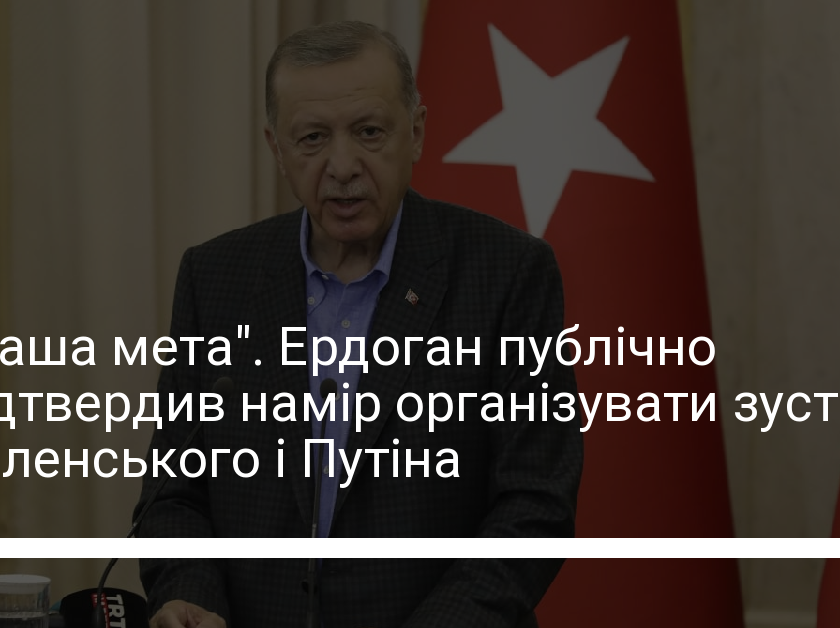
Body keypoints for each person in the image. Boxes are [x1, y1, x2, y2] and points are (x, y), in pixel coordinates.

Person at [136, 21, 582, 628]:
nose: (342, 166)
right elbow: (173, 493)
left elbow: (534, 505)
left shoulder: (507, 272)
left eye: (369, 132)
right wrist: (189, 594)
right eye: (313, 138)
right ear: (277, 149)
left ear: (415, 131)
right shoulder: (215, 277)